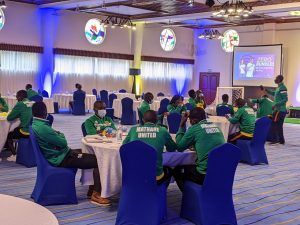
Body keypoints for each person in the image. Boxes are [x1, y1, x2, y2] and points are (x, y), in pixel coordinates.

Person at [31, 102, 110, 206]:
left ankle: (91, 188)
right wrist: (60, 134)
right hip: (62, 158)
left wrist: (58, 135)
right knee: (99, 160)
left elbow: (58, 139)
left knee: (85, 153)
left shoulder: (36, 124)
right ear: (45, 112)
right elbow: (63, 142)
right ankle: (96, 194)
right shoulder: (43, 128)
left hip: (60, 155)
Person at [174, 107, 225, 190]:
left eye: (190, 121)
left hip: (204, 174)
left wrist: (181, 125)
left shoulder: (194, 129)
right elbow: (208, 142)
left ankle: (189, 194)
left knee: (177, 169)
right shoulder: (216, 127)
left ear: (193, 121)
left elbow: (179, 147)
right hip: (221, 171)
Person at [123, 110, 178, 185]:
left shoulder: (133, 130)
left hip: (134, 174)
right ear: (157, 120)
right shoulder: (163, 131)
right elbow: (172, 148)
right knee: (169, 169)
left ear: (143, 119)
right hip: (155, 177)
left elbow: (124, 146)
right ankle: (159, 193)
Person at [5, 90, 33, 160]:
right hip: (33, 129)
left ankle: (15, 155)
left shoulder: (20, 104)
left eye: (17, 96)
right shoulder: (30, 102)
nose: (16, 98)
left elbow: (9, 118)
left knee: (8, 135)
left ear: (20, 97)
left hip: (25, 131)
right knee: (15, 130)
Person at [262, 75, 288, 145]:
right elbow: (274, 94)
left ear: (279, 79)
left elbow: (285, 99)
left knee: (275, 124)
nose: (275, 79)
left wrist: (276, 104)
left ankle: (276, 139)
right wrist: (266, 90)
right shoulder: (279, 87)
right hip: (278, 110)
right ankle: (280, 140)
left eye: (276, 78)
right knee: (277, 125)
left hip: (280, 110)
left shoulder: (283, 88)